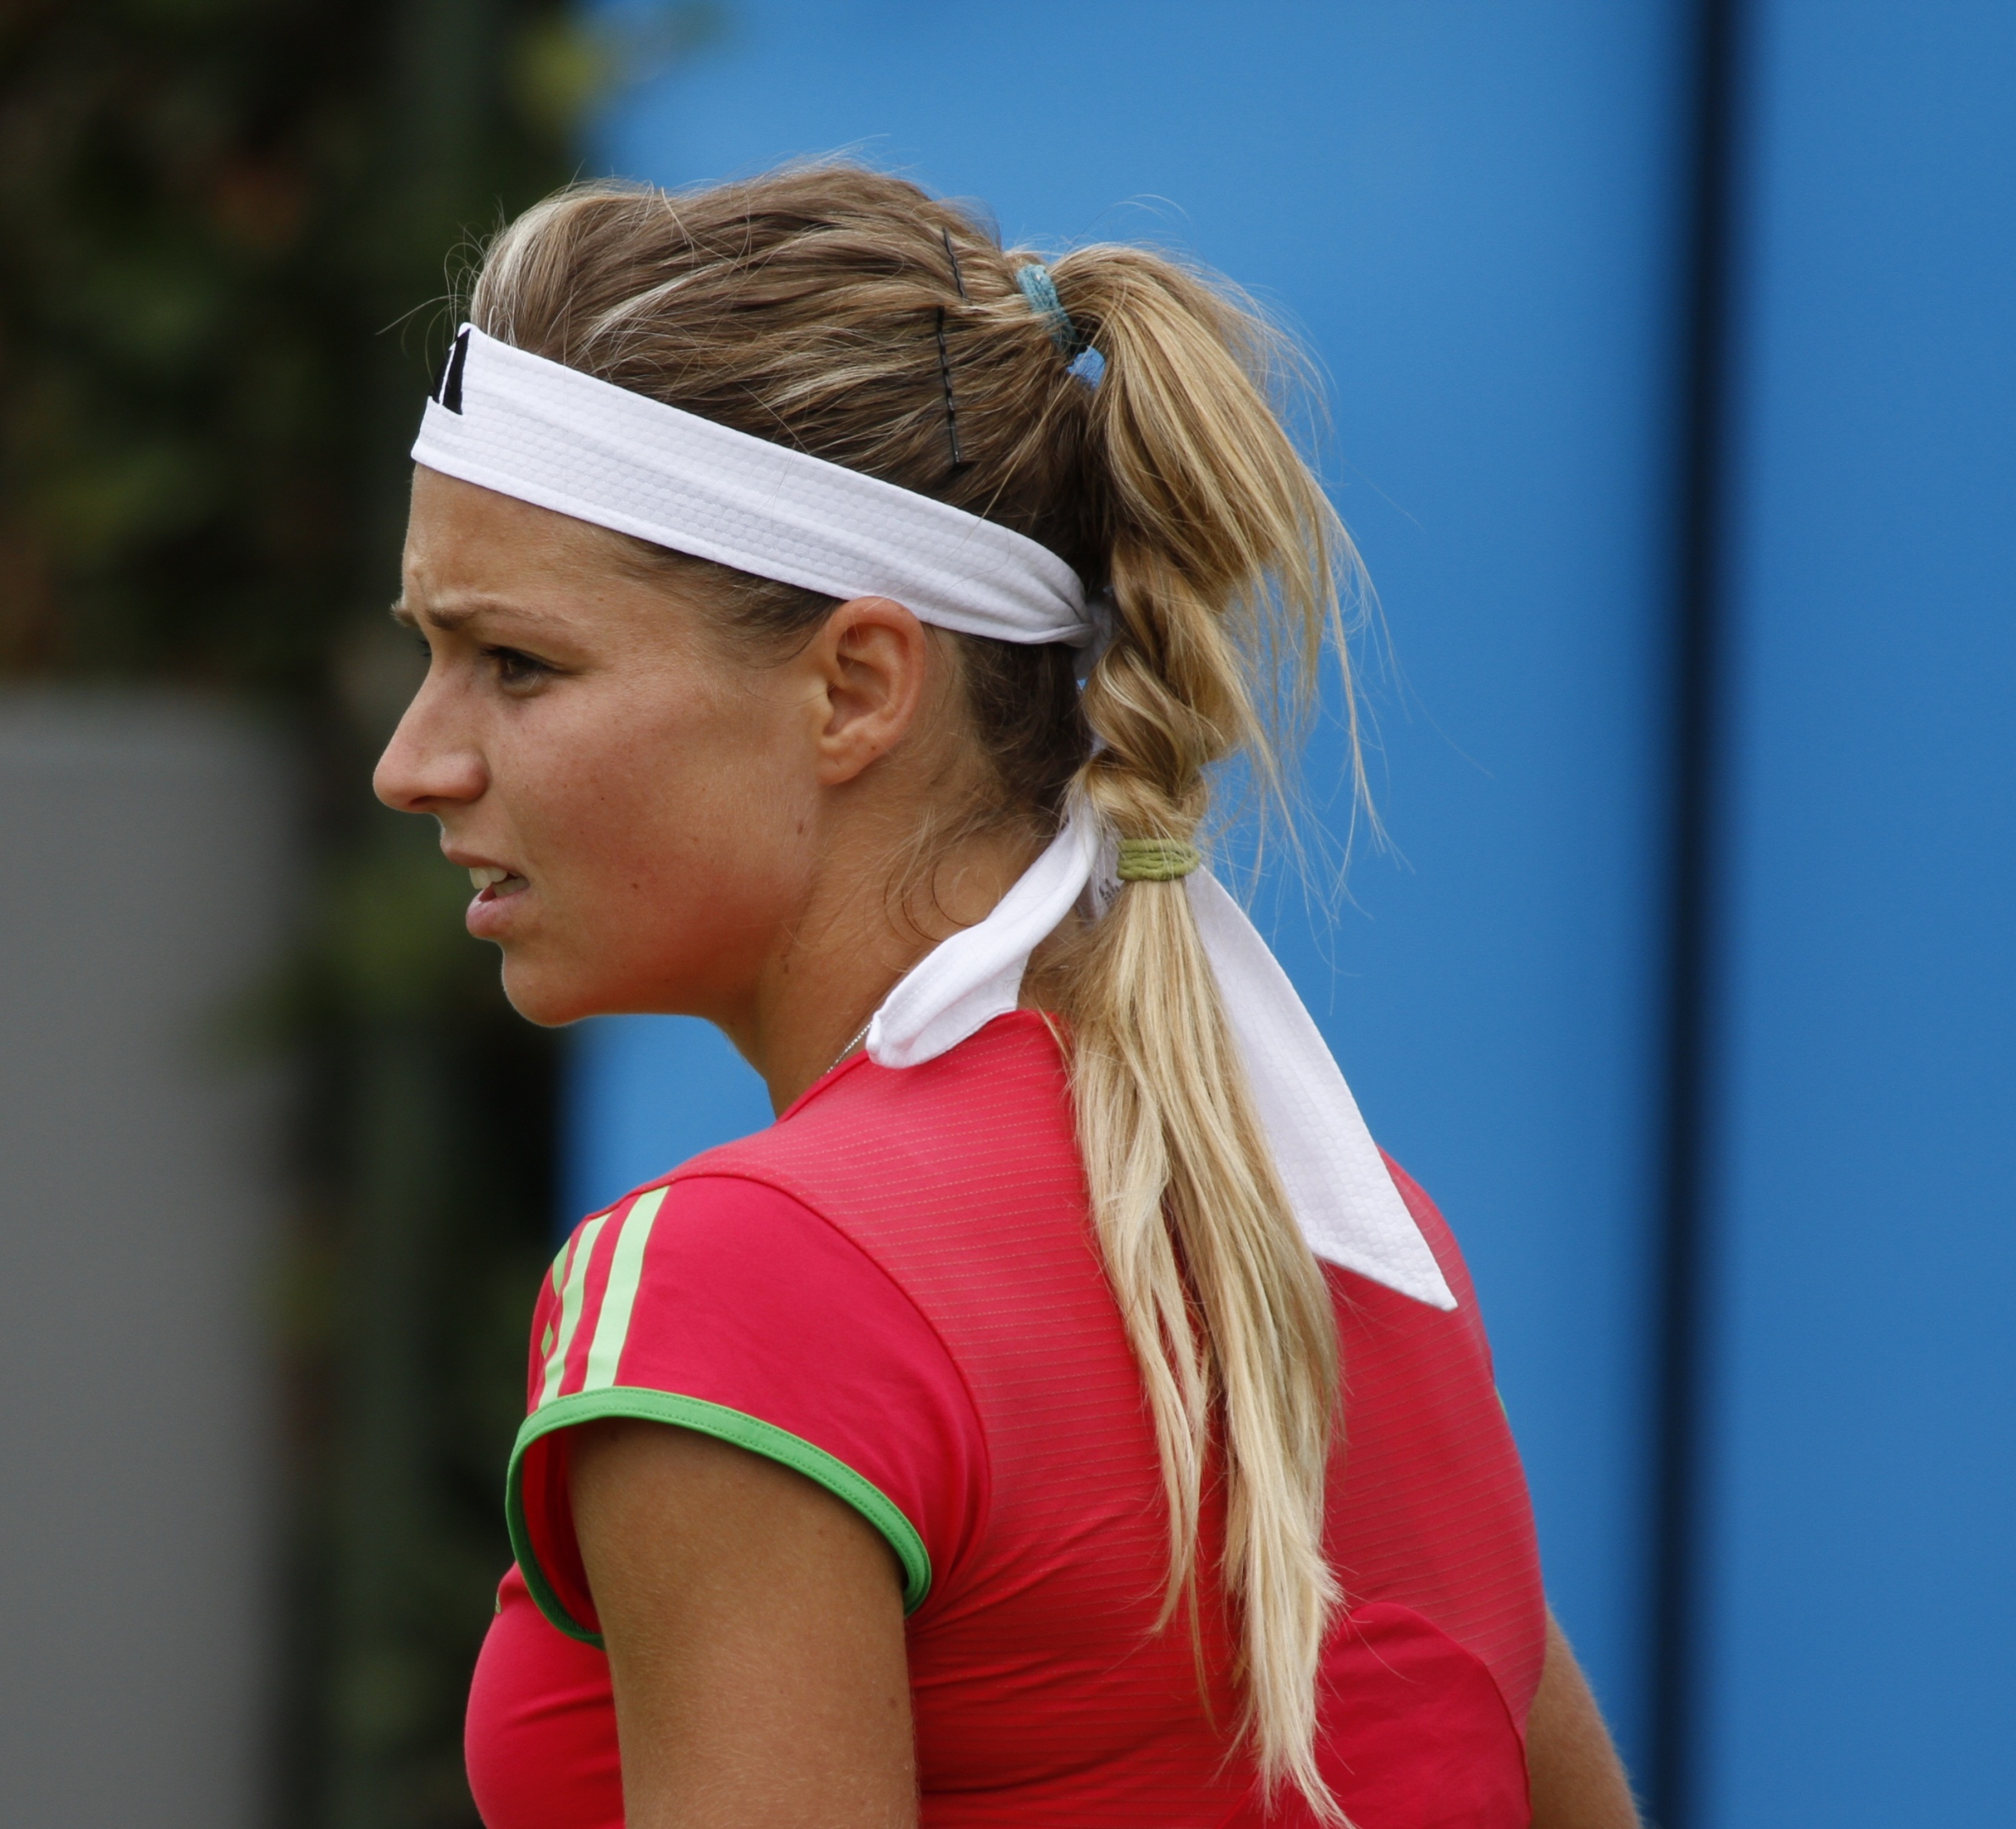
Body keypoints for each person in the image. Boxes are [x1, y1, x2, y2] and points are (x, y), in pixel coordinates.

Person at [373, 166, 1640, 1829]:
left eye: (518, 665)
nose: (415, 763)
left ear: (856, 686)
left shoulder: (737, 1279)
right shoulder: (1350, 1225)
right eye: (430, 656)